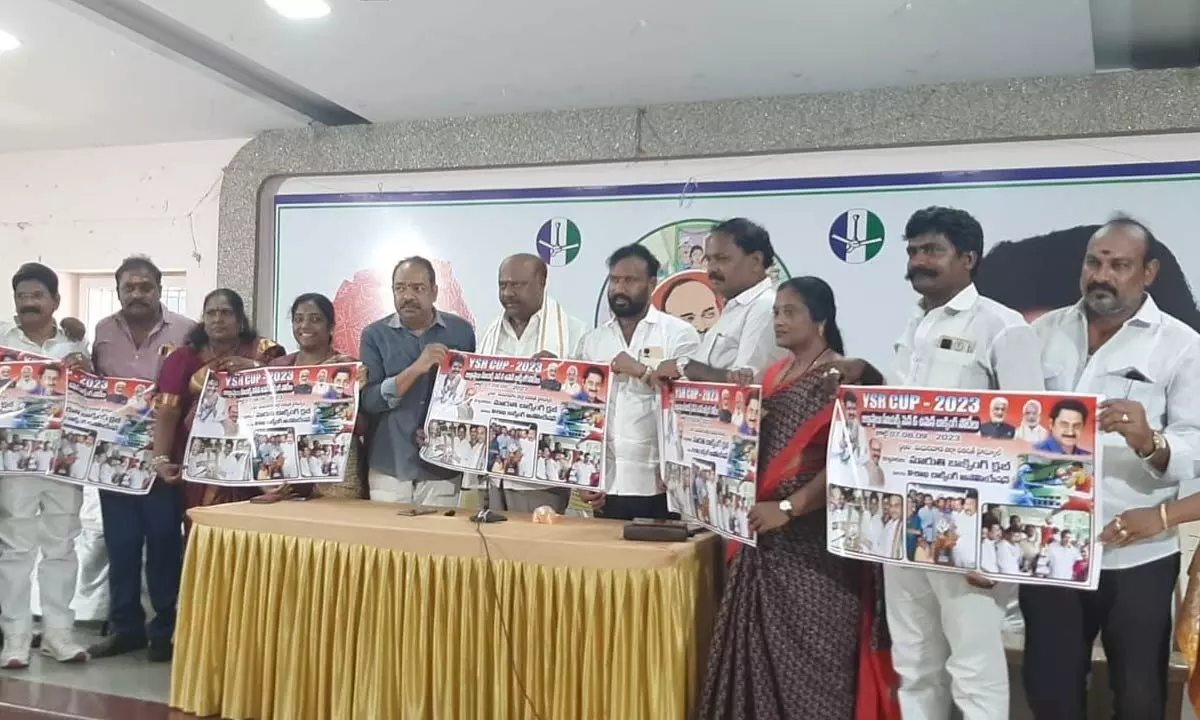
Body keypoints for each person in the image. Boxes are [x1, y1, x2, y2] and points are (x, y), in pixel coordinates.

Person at [836, 207, 1044, 720]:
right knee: (915, 665)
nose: (918, 261)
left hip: (970, 532)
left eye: (932, 251)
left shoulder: (1002, 327)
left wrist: (1001, 545)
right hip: (903, 523)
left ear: (968, 258)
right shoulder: (915, 323)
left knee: (974, 671)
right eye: (912, 251)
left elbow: (1032, 437)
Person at [1023, 217, 1200, 719]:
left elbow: (1196, 443)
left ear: (1149, 273)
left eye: (1119, 265)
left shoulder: (1181, 345)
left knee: (1139, 694)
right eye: (1094, 262)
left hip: (1136, 552)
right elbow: (1015, 432)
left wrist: (1150, 440)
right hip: (1050, 547)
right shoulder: (1042, 332)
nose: (1102, 275)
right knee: (1050, 691)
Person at [699, 276, 896, 719]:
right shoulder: (772, 376)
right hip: (762, 544)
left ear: (821, 320)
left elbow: (853, 463)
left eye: (791, 312)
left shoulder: (843, 378)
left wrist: (788, 508)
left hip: (816, 553)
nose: (779, 321)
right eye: (775, 312)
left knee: (817, 675)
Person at [87, 256, 195, 662]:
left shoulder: (185, 331)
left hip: (162, 457)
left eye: (145, 286)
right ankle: (125, 628)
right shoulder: (102, 332)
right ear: (118, 292)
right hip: (113, 459)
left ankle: (165, 629)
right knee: (121, 545)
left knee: (165, 542)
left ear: (159, 289)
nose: (137, 293)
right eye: (129, 287)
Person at [0, 263, 92, 668]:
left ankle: (59, 634)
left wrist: (86, 371)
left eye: (38, 295)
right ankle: (16, 637)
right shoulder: (3, 338)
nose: (29, 303)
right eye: (22, 296)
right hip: (16, 461)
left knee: (61, 547)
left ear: (55, 300)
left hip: (64, 460)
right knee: (15, 550)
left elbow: (91, 396)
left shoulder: (72, 344)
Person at [574, 245, 700, 521]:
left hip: (660, 484)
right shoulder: (592, 341)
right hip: (607, 486)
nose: (619, 288)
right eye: (614, 280)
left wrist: (640, 371)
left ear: (651, 283)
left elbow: (693, 405)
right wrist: (585, 474)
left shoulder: (679, 334)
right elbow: (580, 413)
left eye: (629, 280)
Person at [152, 289, 285, 516]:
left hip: (255, 463)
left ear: (240, 320)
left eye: (226, 313)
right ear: (203, 321)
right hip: (200, 461)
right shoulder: (182, 359)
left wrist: (255, 368)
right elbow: (168, 410)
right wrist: (160, 458)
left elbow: (285, 392)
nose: (217, 319)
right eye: (211, 313)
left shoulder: (264, 353)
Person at [359, 257, 476, 505]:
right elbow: (369, 401)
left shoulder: (461, 332)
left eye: (417, 288)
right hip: (390, 463)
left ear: (434, 292)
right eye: (400, 288)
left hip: (442, 464)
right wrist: (416, 369)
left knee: (436, 543)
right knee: (387, 542)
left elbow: (471, 396)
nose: (407, 296)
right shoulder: (374, 335)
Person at [475, 253, 586, 512]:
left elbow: (587, 408)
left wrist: (560, 380)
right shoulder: (487, 334)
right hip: (491, 473)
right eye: (503, 285)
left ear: (542, 282)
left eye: (518, 285)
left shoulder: (575, 333)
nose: (508, 293)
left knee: (534, 549)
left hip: (541, 480)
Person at [655, 218, 786, 386]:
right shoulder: (733, 307)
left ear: (755, 262)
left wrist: (686, 366)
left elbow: (746, 385)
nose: (712, 268)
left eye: (722, 259)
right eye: (709, 260)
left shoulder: (765, 306)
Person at [267, 293, 365, 500]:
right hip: (287, 472)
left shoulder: (348, 368)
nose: (305, 325)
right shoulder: (278, 368)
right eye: (298, 319)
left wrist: (339, 411)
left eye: (315, 319)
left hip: (335, 473)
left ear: (331, 326)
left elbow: (365, 426)